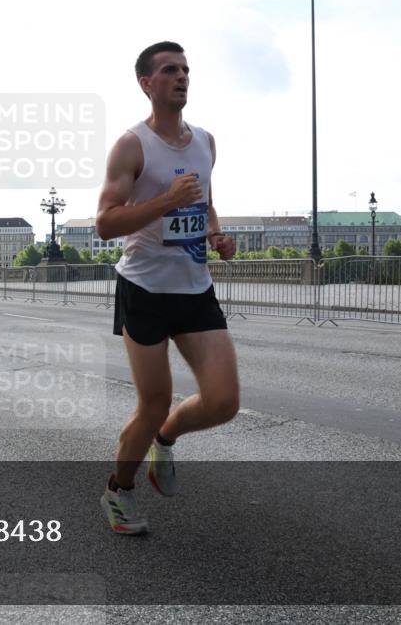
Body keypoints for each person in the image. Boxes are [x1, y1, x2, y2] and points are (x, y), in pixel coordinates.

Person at [95, 41, 238, 535]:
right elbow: (105, 224)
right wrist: (164, 200)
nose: (182, 77)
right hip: (146, 288)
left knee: (224, 401)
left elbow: (205, 201)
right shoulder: (131, 146)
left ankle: (166, 439)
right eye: (170, 70)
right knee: (154, 398)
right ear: (147, 84)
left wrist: (217, 233)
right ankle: (120, 491)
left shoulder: (206, 142)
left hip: (195, 286)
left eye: (186, 69)